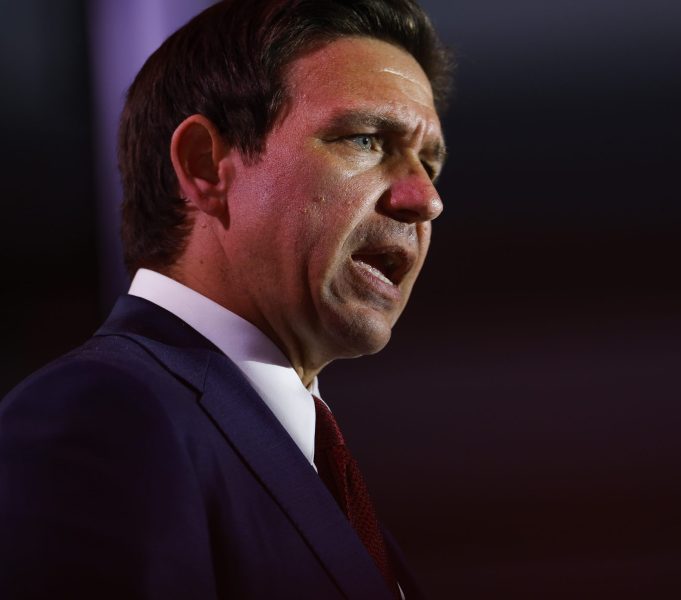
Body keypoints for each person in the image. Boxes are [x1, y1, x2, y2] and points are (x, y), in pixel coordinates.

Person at [0, 1, 452, 598]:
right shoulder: (99, 418)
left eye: (429, 163)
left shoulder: (316, 468)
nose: (426, 199)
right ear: (205, 166)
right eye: (365, 139)